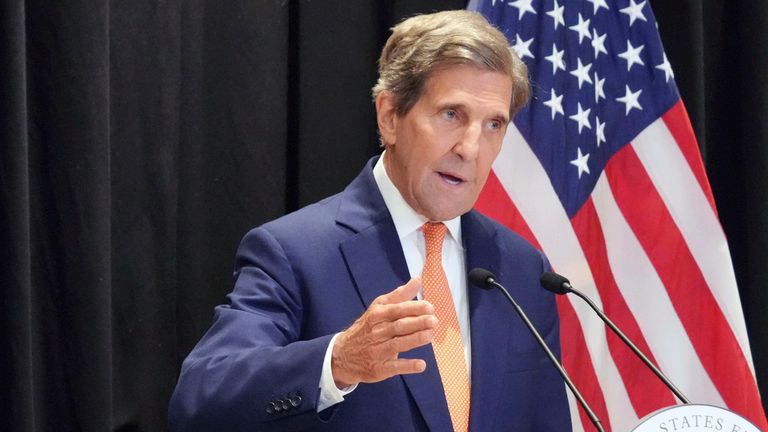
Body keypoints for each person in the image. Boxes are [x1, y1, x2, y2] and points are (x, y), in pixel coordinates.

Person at [169, 10, 571, 431]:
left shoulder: (524, 270)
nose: (471, 148)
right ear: (390, 116)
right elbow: (200, 399)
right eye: (452, 114)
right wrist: (338, 360)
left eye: (493, 124)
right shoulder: (295, 252)